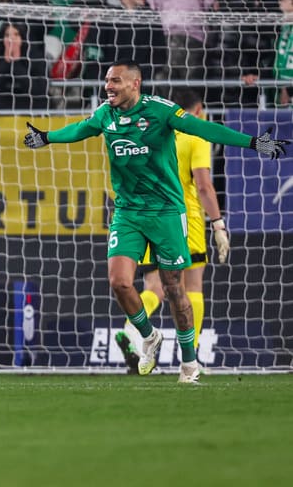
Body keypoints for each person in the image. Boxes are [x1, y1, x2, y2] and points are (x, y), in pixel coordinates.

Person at [24, 60, 289, 383]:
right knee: (119, 282)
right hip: (128, 213)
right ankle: (149, 337)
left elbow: (203, 128)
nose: (108, 86)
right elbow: (81, 129)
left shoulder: (161, 110)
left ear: (135, 84)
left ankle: (189, 363)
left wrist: (252, 142)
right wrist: (47, 137)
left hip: (166, 213)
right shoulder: (106, 114)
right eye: (107, 81)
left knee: (174, 288)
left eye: (116, 81)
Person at [114, 89, 229, 373]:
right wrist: (217, 224)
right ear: (199, 110)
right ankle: (191, 357)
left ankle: (132, 328)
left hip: (145, 217)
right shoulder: (195, 137)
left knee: (155, 288)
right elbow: (203, 185)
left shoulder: (152, 131)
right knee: (191, 288)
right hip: (184, 220)